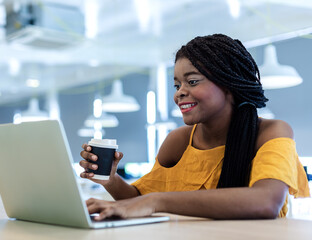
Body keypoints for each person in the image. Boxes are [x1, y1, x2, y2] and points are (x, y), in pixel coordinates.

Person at [79, 34, 310, 221]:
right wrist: (110, 180)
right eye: (177, 84)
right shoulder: (178, 141)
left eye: (192, 81)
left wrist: (157, 201)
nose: (179, 92)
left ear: (229, 84)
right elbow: (138, 199)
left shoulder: (270, 133)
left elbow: (266, 202)